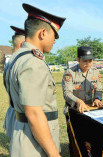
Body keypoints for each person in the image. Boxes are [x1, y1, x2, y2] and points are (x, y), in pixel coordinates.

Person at [4, 3, 65, 157]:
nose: (55, 41)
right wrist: (53, 154)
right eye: (54, 35)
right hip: (34, 142)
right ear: (43, 33)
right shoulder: (33, 62)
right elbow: (34, 114)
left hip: (24, 132)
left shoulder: (19, 57)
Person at [62, 46, 103, 156]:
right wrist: (78, 101)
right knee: (75, 138)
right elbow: (67, 93)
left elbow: (99, 89)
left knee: (91, 137)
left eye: (90, 60)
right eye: (84, 61)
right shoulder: (70, 73)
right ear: (78, 59)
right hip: (74, 110)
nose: (88, 63)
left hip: (90, 110)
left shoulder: (95, 72)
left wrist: (97, 98)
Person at [3, 26, 25, 140]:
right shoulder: (22, 63)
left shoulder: (9, 62)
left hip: (13, 110)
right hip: (22, 116)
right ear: (22, 44)